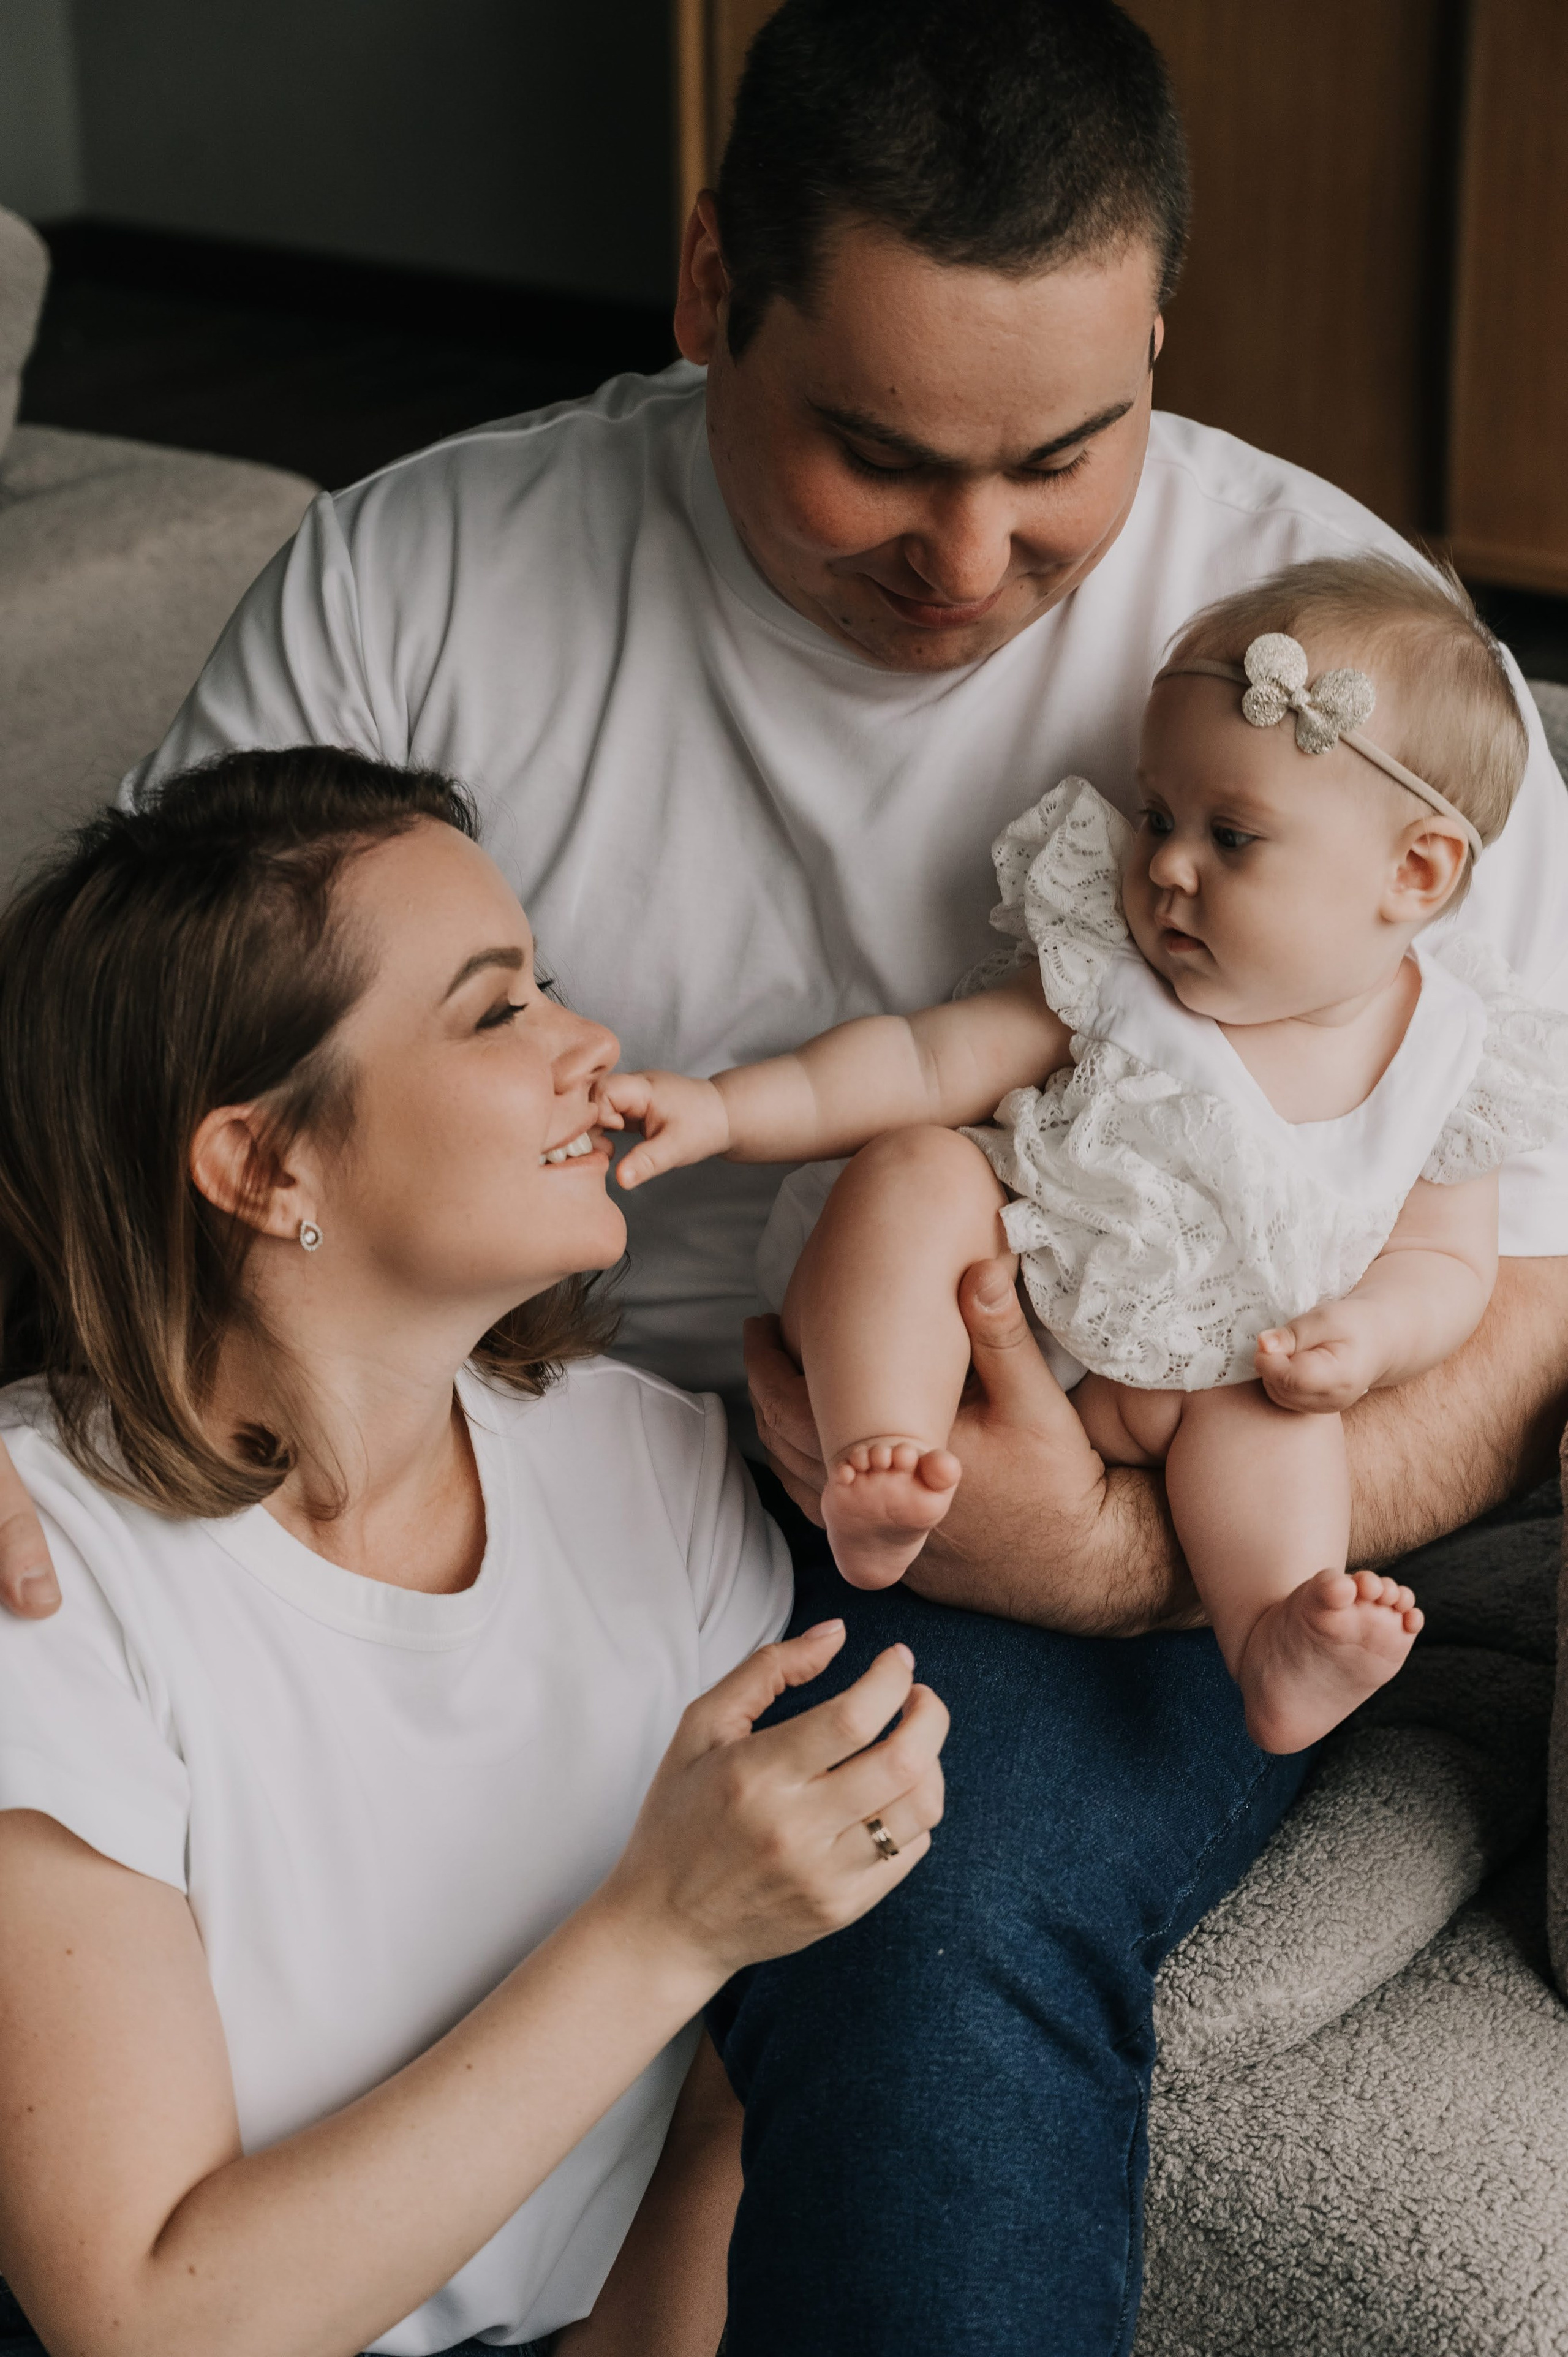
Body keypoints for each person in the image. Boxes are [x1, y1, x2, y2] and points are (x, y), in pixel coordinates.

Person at [1, 3, 1566, 2348]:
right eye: (879, 454)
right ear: (712, 284)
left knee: (917, 1902)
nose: (973, 556)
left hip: (1102, 1481)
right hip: (554, 1437)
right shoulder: (418, 579)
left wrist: (1122, 1550)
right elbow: (144, 1056)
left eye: (1063, 457)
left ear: (1157, 334)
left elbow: (1521, 1284)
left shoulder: (1343, 671)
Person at [0, 749, 947, 2357]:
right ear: (264, 1165)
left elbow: (719, 2109)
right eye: (500, 1009)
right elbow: (150, 2321)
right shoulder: (49, 1572)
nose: (593, 1046)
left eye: (549, 986)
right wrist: (665, 1926)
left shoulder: (650, 1471)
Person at [602, 557, 1568, 1751]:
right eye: (1157, 815)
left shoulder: (1452, 1053)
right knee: (916, 1169)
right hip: (981, 1304)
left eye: (1230, 836)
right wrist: (726, 1109)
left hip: (1187, 1375)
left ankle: (1272, 1635)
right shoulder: (1118, 969)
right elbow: (921, 1060)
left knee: (1271, 1420)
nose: (1165, 865)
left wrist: (1367, 1337)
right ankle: (882, 1457)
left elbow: (1448, 1265)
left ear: (1413, 871)